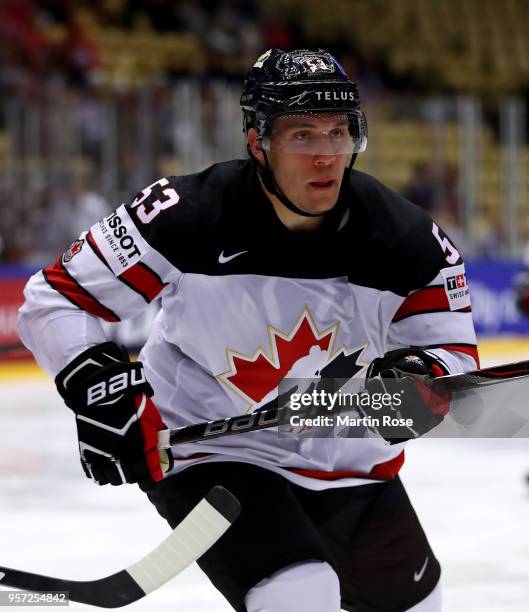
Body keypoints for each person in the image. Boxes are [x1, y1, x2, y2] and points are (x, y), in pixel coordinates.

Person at [18, 49, 478, 612]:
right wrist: (100, 391)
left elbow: (453, 353)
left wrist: (421, 381)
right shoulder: (184, 213)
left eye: (338, 133)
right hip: (215, 446)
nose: (326, 156)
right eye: (303, 135)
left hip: (348, 456)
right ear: (257, 142)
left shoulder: (408, 241)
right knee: (299, 594)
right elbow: (53, 299)